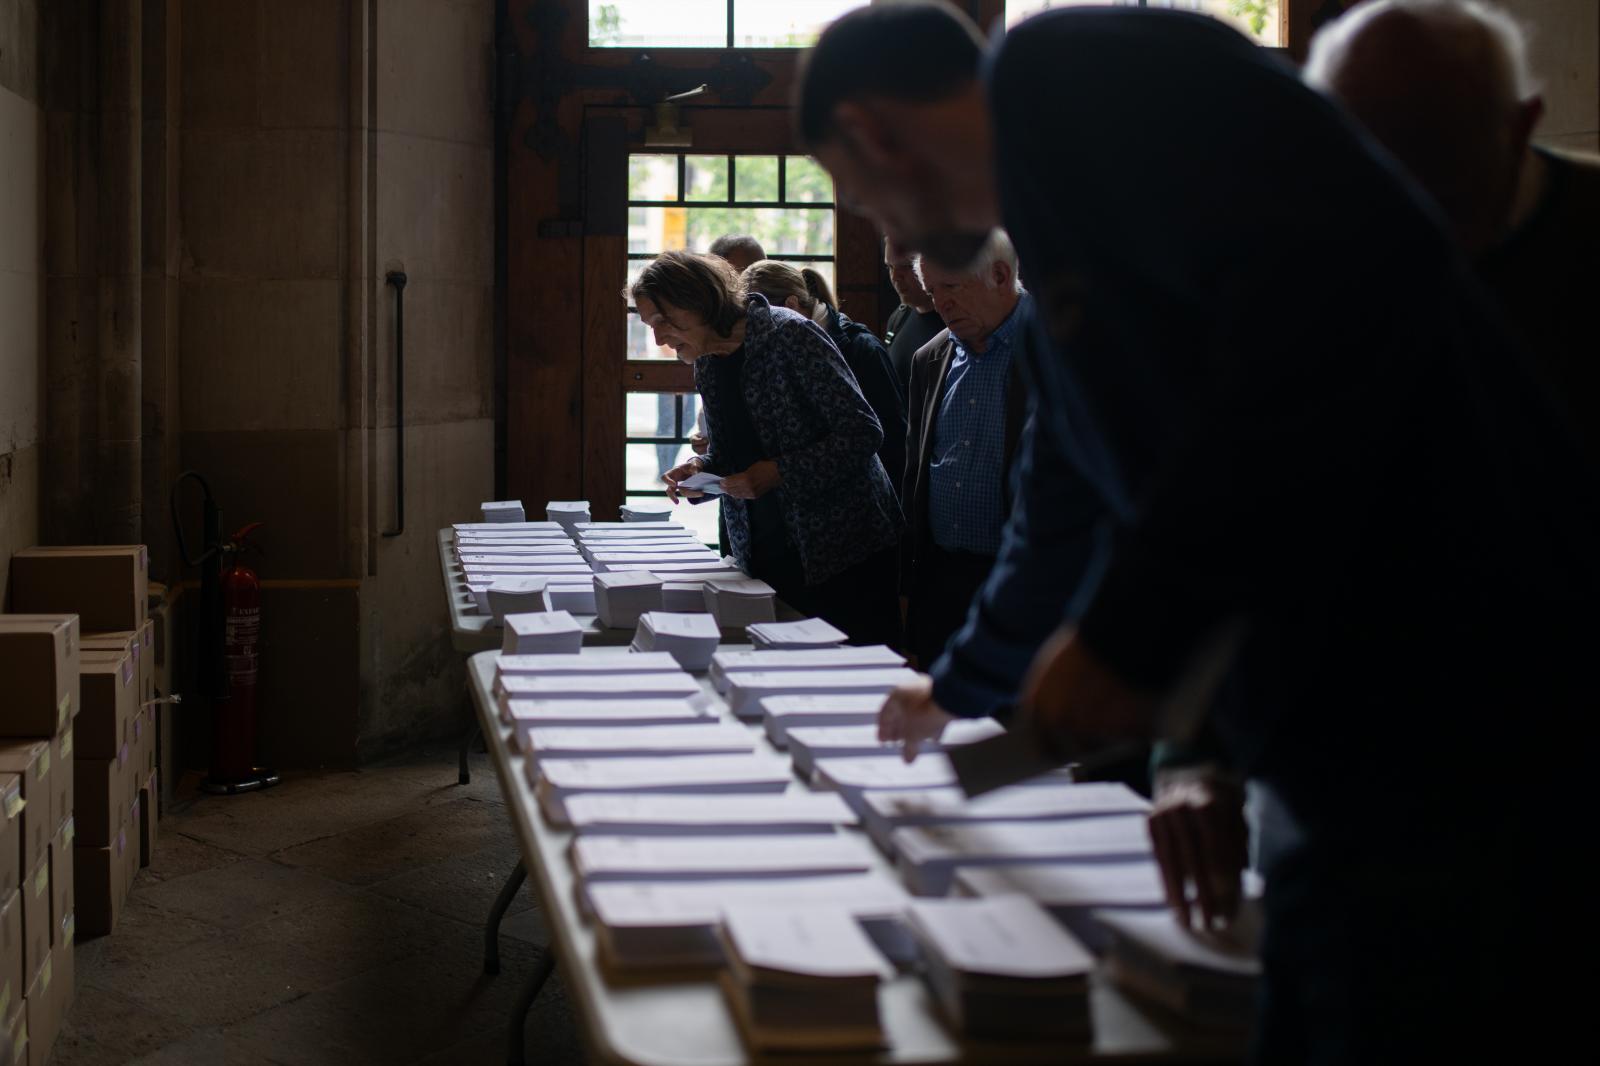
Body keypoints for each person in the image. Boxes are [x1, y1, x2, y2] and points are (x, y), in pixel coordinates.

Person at [798, 3, 1599, 1062]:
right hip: (1318, 717)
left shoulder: (1066, 71)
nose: (881, 227)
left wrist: (1132, 634)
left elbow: (1339, 291)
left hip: (1461, 687)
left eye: (859, 195)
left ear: (874, 132)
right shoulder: (1049, 227)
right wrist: (960, 685)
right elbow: (1061, 498)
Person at [1306, 0, 1600, 466]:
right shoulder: (1314, 250)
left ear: (1522, 126)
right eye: (1384, 184)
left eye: (1445, 194)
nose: (1418, 228)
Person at [629, 251, 903, 646]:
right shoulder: (706, 361)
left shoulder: (790, 334)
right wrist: (700, 470)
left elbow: (863, 432)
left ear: (699, 301)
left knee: (852, 679)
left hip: (844, 550)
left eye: (662, 320)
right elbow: (731, 454)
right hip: (764, 552)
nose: (658, 338)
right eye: (648, 325)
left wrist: (777, 472)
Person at [900, 232, 1031, 671]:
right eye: (933, 290)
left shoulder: (1058, 351)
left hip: (1022, 580)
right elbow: (915, 473)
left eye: (952, 287)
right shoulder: (929, 359)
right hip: (943, 580)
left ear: (1000, 275)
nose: (941, 303)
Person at [741, 259, 908, 497]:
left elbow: (891, 439)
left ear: (791, 305)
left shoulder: (860, 349)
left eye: (758, 321)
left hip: (859, 498)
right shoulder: (777, 352)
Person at [882, 235, 945, 393]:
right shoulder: (898, 317)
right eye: (890, 267)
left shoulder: (955, 323)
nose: (895, 277)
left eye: (905, 266)